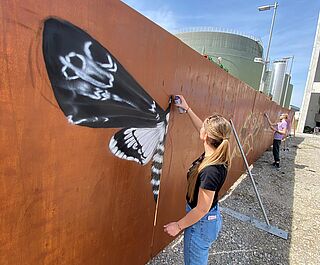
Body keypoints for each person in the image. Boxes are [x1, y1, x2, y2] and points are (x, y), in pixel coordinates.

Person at [164, 95, 231, 265]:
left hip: (200, 223)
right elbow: (201, 128)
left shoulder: (210, 170)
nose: (201, 128)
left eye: (204, 128)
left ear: (206, 136)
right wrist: (187, 109)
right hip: (206, 220)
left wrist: (178, 226)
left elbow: (201, 209)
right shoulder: (215, 153)